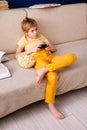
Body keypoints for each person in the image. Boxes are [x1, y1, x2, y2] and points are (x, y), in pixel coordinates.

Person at [16, 17, 77, 119]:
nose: (35, 32)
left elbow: (54, 48)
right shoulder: (24, 40)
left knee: (73, 57)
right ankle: (51, 105)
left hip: (50, 57)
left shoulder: (41, 36)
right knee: (53, 76)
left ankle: (45, 70)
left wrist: (49, 48)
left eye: (36, 29)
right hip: (39, 59)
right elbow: (17, 55)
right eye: (32, 31)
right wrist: (32, 50)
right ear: (26, 33)